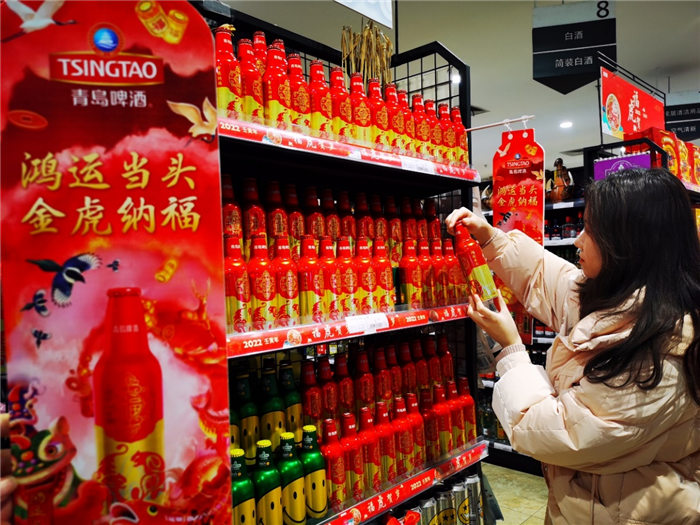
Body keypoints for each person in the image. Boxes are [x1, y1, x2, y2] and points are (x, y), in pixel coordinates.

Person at [446, 168, 699, 524]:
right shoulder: (627, 297)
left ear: (627, 245)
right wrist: (490, 238)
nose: (578, 240)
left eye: (590, 231)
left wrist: (511, 349)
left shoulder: (658, 353)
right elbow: (547, 278)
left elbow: (552, 432)